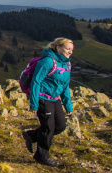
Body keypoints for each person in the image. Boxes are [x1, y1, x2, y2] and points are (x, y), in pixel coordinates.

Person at [21, 37, 74, 167]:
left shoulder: (67, 64)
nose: (70, 52)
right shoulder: (47, 62)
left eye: (72, 49)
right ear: (58, 47)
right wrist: (34, 103)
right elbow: (36, 82)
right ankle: (42, 156)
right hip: (43, 98)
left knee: (60, 126)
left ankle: (31, 135)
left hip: (55, 99)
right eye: (67, 48)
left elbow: (65, 86)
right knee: (48, 128)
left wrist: (68, 105)